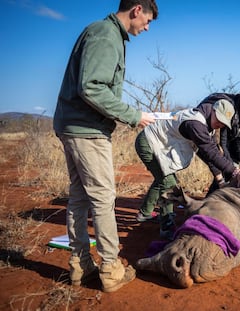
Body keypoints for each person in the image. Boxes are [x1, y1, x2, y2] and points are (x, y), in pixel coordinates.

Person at [53, 0, 158, 293]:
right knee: (103, 197)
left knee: (79, 196)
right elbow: (91, 87)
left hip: (73, 125)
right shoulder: (106, 35)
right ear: (136, 10)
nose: (147, 28)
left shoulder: (102, 32)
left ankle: (80, 265)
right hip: (87, 130)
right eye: (147, 21)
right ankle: (111, 268)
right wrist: (133, 116)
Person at [135, 100, 240, 240]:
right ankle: (167, 227)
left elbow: (208, 154)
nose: (220, 125)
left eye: (223, 123)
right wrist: (235, 171)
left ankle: (144, 213)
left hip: (160, 145)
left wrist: (220, 180)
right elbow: (211, 153)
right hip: (149, 143)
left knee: (163, 178)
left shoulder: (207, 125)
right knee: (169, 183)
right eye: (219, 119)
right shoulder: (196, 124)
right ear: (213, 111)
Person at [205, 84, 240, 193]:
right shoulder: (229, 110)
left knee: (230, 170)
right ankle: (210, 201)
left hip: (228, 145)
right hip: (208, 136)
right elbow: (223, 142)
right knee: (223, 169)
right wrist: (232, 169)